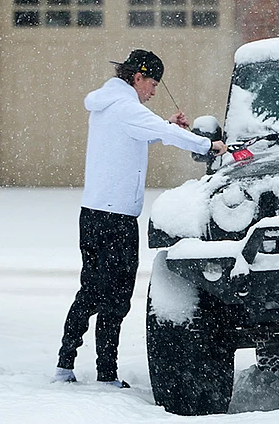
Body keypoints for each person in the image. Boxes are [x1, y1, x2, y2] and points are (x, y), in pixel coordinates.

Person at [53, 49, 227, 387]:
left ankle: (70, 364)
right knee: (114, 296)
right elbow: (169, 136)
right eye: (153, 83)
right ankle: (98, 371)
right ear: (137, 78)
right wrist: (209, 146)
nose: (154, 91)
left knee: (92, 291)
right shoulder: (126, 109)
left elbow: (149, 131)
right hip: (115, 221)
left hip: (93, 215)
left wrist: (165, 126)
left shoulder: (110, 106)